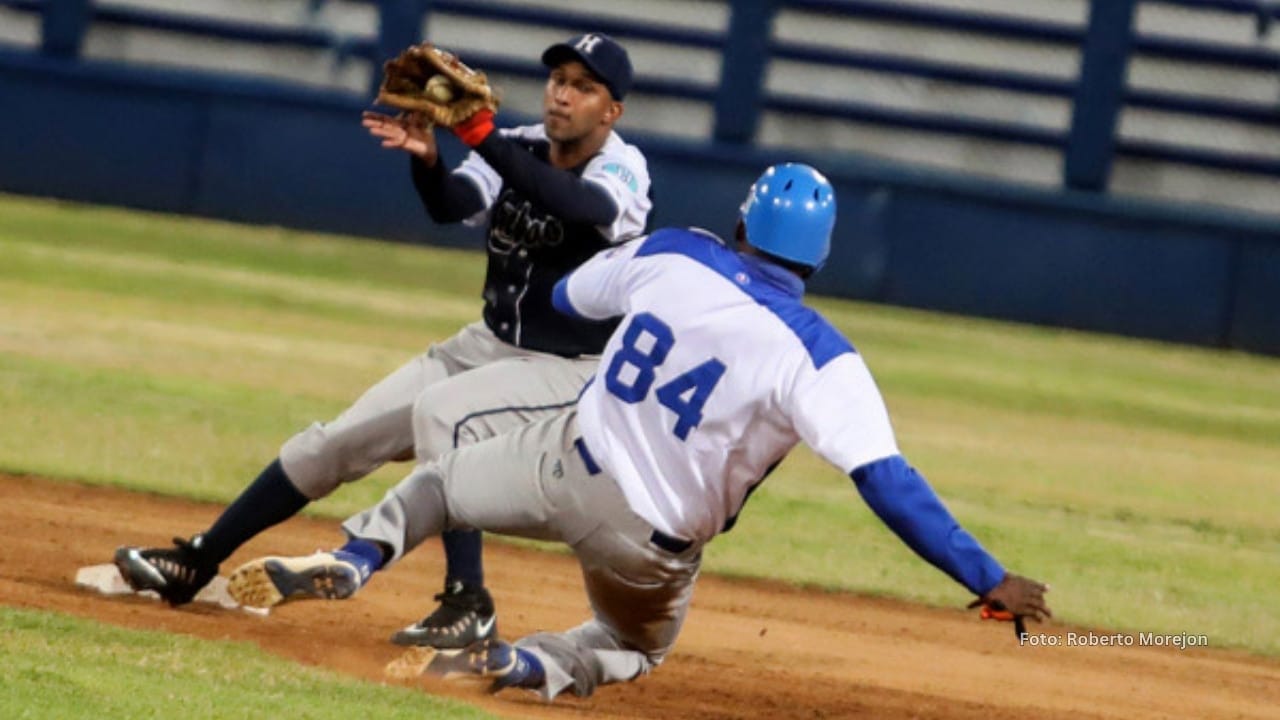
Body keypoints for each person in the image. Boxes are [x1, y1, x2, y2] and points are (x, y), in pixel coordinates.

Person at [225, 163, 1052, 701]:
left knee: (443, 481)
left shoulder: (678, 253)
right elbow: (886, 481)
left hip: (560, 464)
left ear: (740, 226)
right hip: (650, 548)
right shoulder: (823, 358)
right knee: (626, 645)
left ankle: (355, 555)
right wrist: (987, 576)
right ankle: (518, 664)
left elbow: (563, 302)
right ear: (821, 256)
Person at [112, 32, 653, 651]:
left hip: (568, 368)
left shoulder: (621, 167)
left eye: (585, 87)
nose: (563, 94)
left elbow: (575, 202)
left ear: (612, 112)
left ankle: (467, 601)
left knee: (446, 416)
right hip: (488, 344)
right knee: (331, 444)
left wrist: (482, 137)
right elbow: (454, 204)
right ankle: (197, 561)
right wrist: (427, 160)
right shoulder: (521, 144)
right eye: (559, 79)